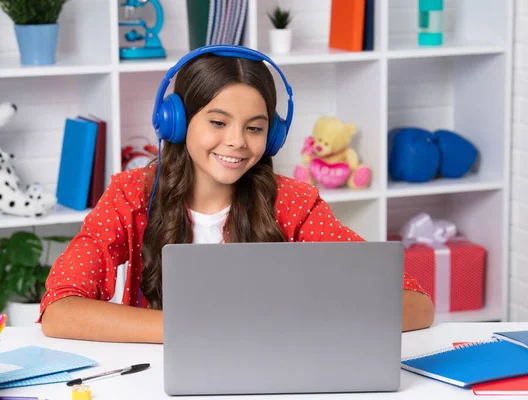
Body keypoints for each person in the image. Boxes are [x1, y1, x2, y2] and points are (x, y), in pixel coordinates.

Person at [39, 46, 434, 343]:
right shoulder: (131, 195)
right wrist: (202, 329)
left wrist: (291, 322)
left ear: (273, 135)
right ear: (175, 121)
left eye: (255, 128)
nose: (237, 142)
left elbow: (415, 303)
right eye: (217, 122)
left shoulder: (294, 202)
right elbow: (59, 310)